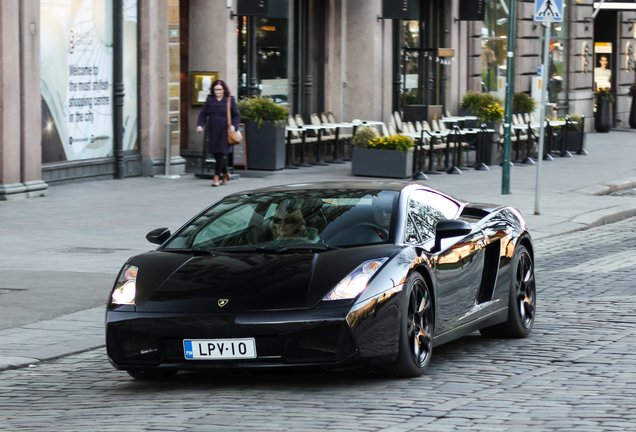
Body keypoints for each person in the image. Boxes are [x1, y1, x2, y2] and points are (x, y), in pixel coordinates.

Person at [196, 80, 240, 187]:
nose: (217, 91)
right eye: (215, 89)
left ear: (224, 89)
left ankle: (216, 178)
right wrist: (200, 125)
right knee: (216, 154)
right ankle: (225, 174)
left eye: (219, 89)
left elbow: (237, 115)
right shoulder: (210, 99)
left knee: (220, 154)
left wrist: (234, 126)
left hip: (226, 131)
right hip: (213, 131)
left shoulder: (229, 100)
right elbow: (203, 114)